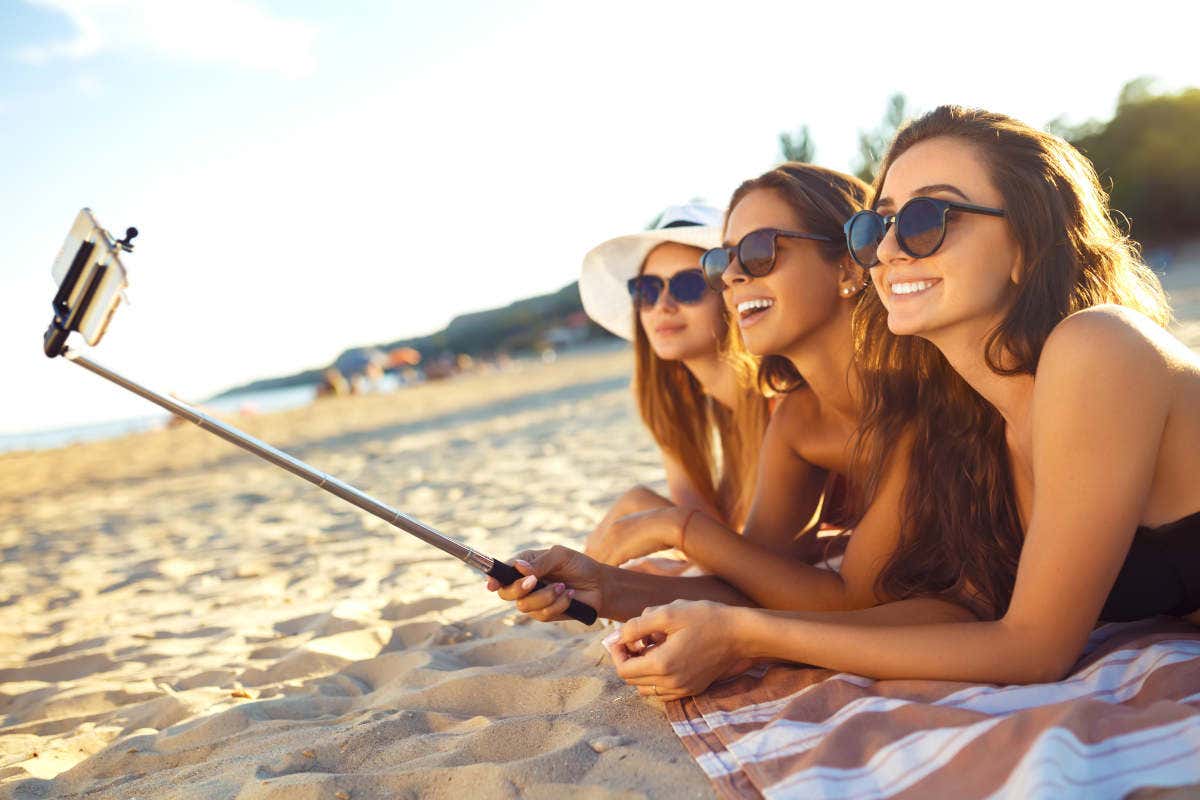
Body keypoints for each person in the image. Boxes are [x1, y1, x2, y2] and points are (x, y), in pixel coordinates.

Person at [611, 106, 1200, 701]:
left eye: (927, 219)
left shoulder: (1097, 347)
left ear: (1027, 243)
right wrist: (625, 596)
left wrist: (747, 635)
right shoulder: (976, 418)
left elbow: (1033, 648)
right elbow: (960, 616)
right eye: (877, 225)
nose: (888, 249)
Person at [488, 165, 973, 625]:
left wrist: (678, 528)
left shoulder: (921, 399)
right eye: (721, 262)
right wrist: (601, 586)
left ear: (848, 268)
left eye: (761, 250)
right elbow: (756, 581)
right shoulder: (800, 419)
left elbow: (849, 598)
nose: (735, 276)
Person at [578, 204, 768, 564]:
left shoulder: (776, 395)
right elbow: (712, 536)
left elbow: (754, 559)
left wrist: (656, 517)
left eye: (687, 286)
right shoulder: (684, 400)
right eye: (647, 290)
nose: (662, 305)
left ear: (729, 295)